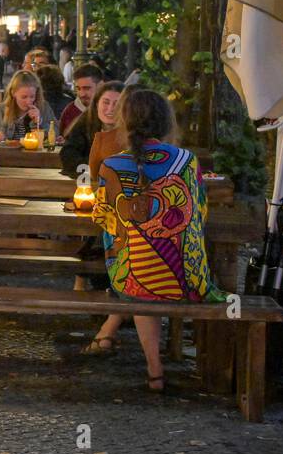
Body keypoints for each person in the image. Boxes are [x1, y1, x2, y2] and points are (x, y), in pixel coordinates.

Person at [85, 89, 226, 390]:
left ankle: (155, 369)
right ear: (166, 122)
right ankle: (157, 370)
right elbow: (199, 212)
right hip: (189, 278)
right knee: (150, 264)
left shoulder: (111, 165)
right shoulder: (187, 161)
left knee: (135, 266)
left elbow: (102, 218)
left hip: (131, 279)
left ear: (125, 121)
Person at [60, 81, 123, 178]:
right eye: (106, 102)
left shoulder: (134, 131)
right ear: (97, 104)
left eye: (117, 103)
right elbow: (68, 156)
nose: (111, 108)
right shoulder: (84, 124)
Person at [0, 69, 53, 144]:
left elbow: (55, 135)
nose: (28, 101)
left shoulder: (44, 107)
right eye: (24, 97)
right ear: (13, 93)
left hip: (35, 155)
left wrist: (39, 122)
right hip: (6, 155)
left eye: (32, 96)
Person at [59, 64, 103, 133]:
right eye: (78, 88)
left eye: (87, 88)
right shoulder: (70, 112)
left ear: (100, 85)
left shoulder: (110, 109)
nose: (82, 94)